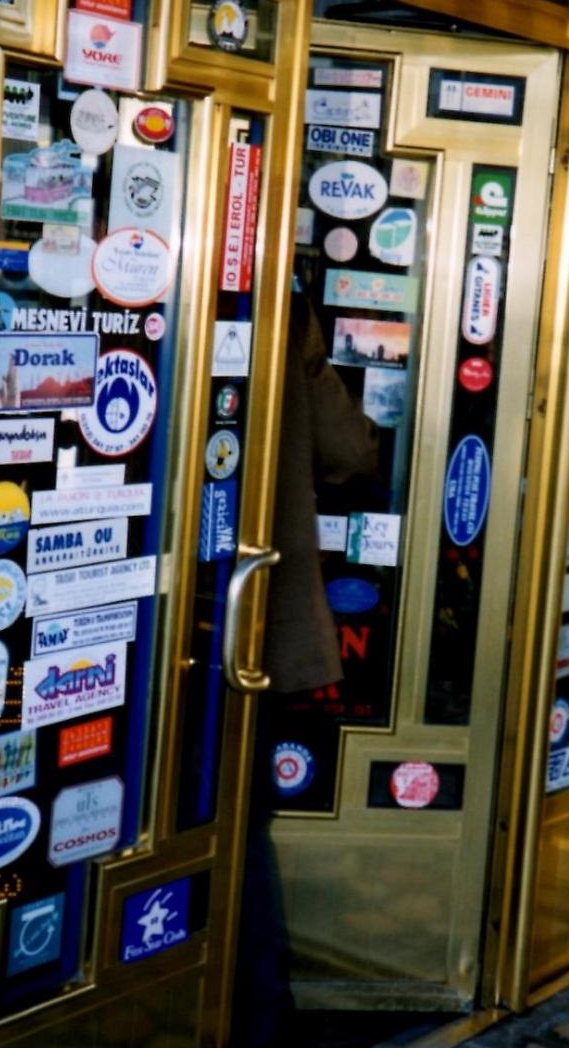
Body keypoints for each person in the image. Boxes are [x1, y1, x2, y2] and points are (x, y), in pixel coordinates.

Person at [231, 291, 378, 1047]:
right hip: (248, 624)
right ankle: (257, 1011)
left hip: (146, 619)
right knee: (242, 820)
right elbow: (351, 452)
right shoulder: (285, 317)